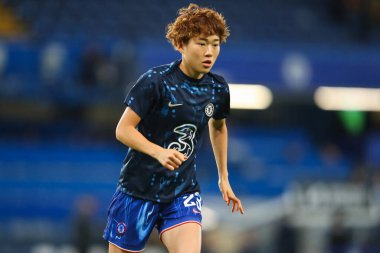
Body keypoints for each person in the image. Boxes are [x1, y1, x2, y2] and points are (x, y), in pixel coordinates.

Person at [103, 3, 244, 253]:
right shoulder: (155, 81)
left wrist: (224, 177)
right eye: (201, 43)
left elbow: (219, 127)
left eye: (215, 43)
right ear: (181, 45)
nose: (209, 51)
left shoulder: (218, 89)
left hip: (182, 191)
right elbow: (122, 130)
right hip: (137, 190)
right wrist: (158, 151)